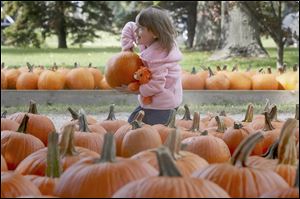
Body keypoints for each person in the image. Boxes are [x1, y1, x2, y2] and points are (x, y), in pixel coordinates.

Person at [117, 6, 183, 125]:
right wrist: (127, 50)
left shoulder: (158, 57)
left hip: (163, 104)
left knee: (153, 131)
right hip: (151, 100)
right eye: (138, 27)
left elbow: (156, 85)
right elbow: (130, 26)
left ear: (155, 33)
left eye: (141, 28)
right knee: (132, 123)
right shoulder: (149, 40)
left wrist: (135, 90)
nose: (136, 31)